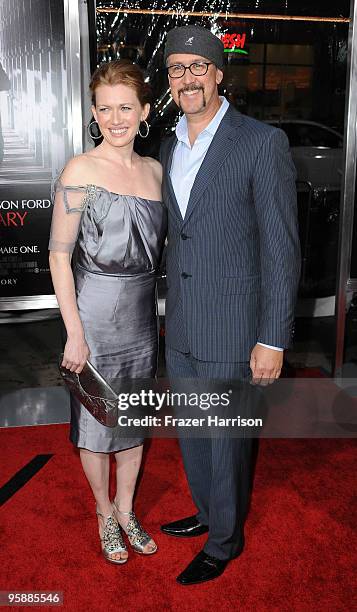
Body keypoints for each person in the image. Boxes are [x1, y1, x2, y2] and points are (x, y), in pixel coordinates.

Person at [160, 25, 301, 585]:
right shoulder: (169, 145)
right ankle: (206, 514)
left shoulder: (260, 142)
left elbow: (282, 247)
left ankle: (225, 540)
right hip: (186, 322)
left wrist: (273, 337)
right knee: (193, 435)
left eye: (198, 67)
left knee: (225, 441)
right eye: (176, 68)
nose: (186, 78)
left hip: (236, 325)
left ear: (220, 74)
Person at [49, 60, 167, 564]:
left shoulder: (156, 171)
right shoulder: (80, 169)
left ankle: (126, 508)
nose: (115, 118)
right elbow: (58, 254)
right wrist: (74, 333)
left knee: (133, 422)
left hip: (141, 317)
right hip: (93, 314)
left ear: (143, 112)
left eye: (125, 107)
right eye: (105, 108)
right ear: (94, 113)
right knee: (98, 426)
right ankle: (103, 513)